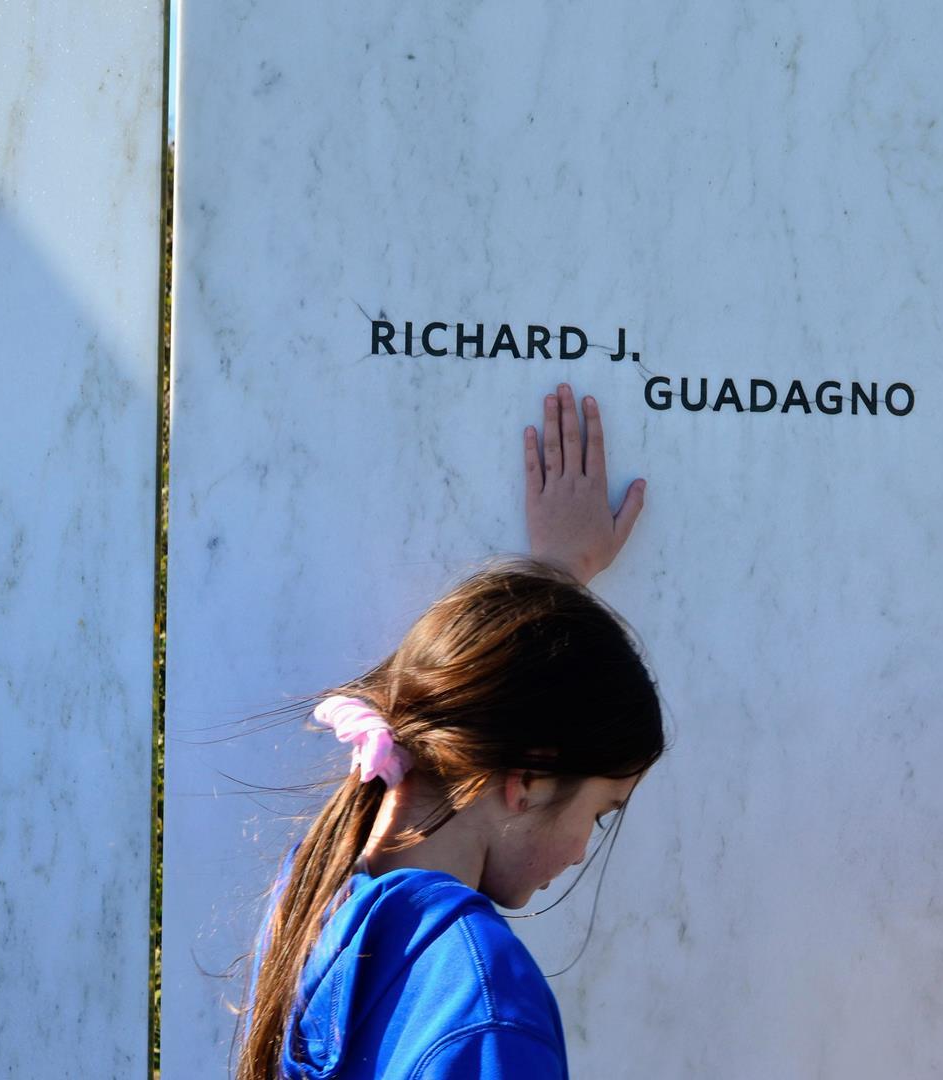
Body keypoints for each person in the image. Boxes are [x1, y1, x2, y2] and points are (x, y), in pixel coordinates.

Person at [233, 384, 657, 1080]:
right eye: (600, 814)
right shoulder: (485, 1000)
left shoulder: (314, 892)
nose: (584, 851)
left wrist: (557, 579)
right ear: (528, 780)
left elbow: (459, 685)